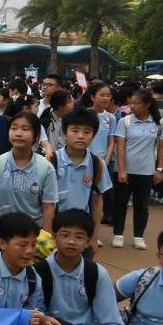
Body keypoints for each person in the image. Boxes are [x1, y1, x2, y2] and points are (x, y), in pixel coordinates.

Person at [110, 89, 163, 250]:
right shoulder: (125, 121)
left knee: (141, 206)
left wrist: (160, 169)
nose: (132, 106)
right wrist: (122, 170)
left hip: (146, 171)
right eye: (131, 103)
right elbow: (120, 146)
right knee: (120, 203)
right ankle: (118, 234)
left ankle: (138, 236)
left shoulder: (158, 123)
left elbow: (162, 147)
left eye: (136, 103)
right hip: (124, 170)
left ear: (147, 104)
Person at [50, 109, 111, 255]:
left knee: (82, 266)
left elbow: (97, 201)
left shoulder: (97, 164)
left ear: (94, 136)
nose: (81, 136)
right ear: (64, 134)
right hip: (55, 231)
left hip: (82, 232)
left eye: (87, 132)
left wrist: (94, 238)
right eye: (75, 130)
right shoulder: (51, 161)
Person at [0, 111, 58, 234]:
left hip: (34, 234)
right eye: (13, 128)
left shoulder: (46, 167)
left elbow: (48, 207)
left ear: (37, 135)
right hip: (2, 232)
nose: (18, 133)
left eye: (25, 129)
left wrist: (46, 239)